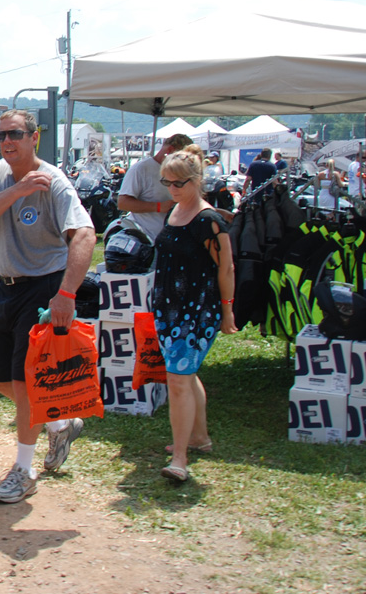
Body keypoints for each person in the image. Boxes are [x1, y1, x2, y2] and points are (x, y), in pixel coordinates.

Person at [0, 109, 96, 504]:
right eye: (1, 135)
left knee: (24, 382)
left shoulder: (54, 181)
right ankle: (59, 422)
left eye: (16, 134)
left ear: (34, 137)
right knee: (0, 380)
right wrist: (17, 190)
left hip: (44, 288)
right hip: (7, 287)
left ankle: (24, 470)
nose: (7, 141)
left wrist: (67, 294)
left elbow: (85, 234)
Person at [150, 145, 237, 483]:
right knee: (184, 375)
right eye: (166, 182)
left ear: (196, 181)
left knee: (178, 380)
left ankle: (181, 457)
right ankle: (199, 437)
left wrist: (227, 313)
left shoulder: (209, 220)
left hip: (196, 312)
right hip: (168, 309)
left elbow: (226, 268)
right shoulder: (173, 212)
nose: (172, 188)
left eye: (178, 183)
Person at [116, 133, 194, 241]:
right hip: (147, 238)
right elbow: (123, 203)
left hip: (174, 238)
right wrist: (158, 207)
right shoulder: (141, 169)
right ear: (170, 150)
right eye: (181, 157)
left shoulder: (180, 171)